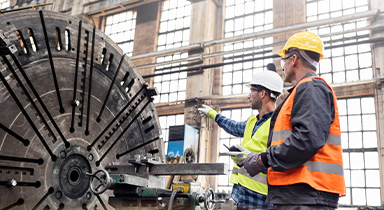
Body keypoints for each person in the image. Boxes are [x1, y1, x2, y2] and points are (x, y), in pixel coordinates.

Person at [237, 31, 346, 210]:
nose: (282, 67)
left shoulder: (311, 87)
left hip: (307, 192)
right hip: (299, 193)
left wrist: (262, 159)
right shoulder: (300, 91)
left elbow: (307, 139)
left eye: (284, 61)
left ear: (293, 59)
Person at [198, 70, 283, 210]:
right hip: (241, 196)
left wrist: (249, 158)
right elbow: (234, 127)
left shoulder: (279, 124)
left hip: (262, 201)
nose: (248, 96)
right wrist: (213, 114)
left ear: (263, 93)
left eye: (252, 91)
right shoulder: (252, 121)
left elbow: (282, 160)